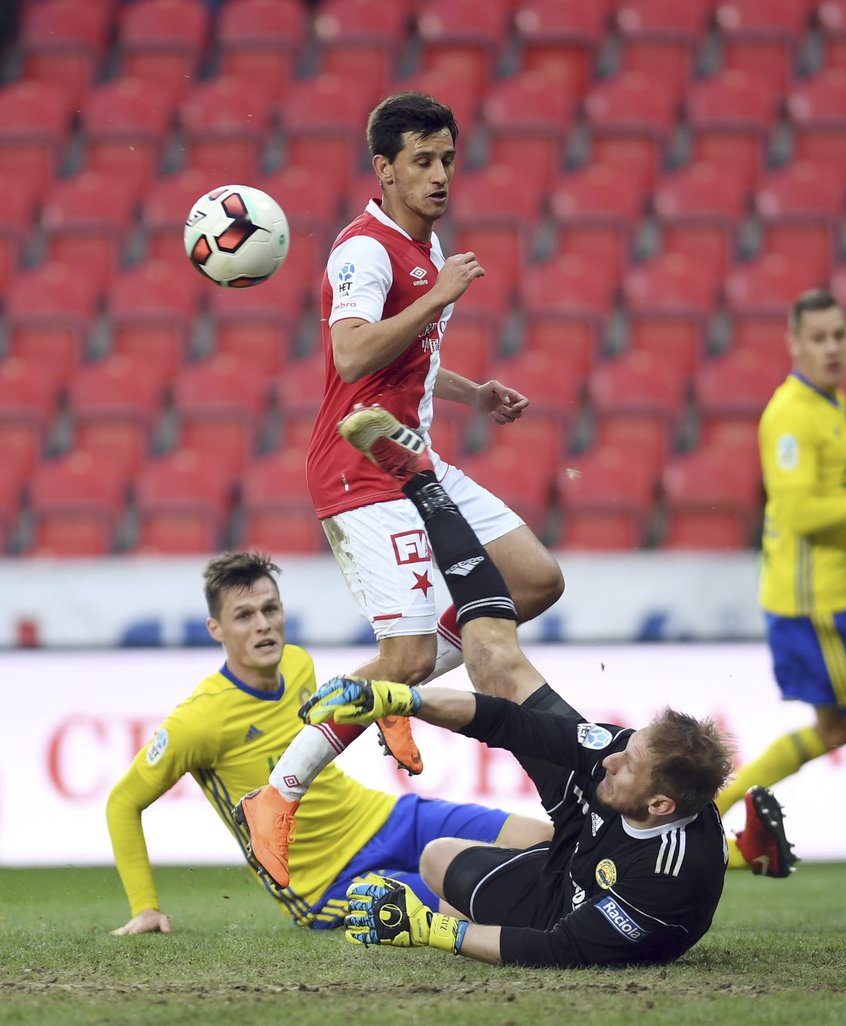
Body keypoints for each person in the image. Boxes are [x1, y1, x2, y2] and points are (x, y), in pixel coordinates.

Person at [292, 404, 797, 968]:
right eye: (623, 749)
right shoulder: (620, 762)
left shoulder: (664, 888)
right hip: (587, 830)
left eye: (626, 765)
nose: (609, 759)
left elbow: (560, 948)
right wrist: (400, 697)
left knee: (438, 862)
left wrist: (430, 930)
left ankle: (742, 852)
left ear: (659, 802)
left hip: (566, 903)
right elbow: (509, 722)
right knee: (496, 666)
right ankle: (424, 483)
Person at [296, 89, 563, 777]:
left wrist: (471, 392)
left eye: (447, 158)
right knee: (407, 658)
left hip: (414, 457)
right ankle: (281, 786)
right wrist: (442, 294)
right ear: (384, 168)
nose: (440, 174)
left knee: (533, 581)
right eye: (422, 161)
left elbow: (404, 358)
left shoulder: (424, 241)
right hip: (362, 466)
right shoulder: (364, 252)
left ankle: (394, 690)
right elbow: (353, 355)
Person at [106, 551, 554, 933]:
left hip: (387, 817)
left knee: (542, 838)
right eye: (244, 616)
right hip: (330, 883)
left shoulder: (298, 663)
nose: (263, 625)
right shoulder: (200, 721)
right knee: (494, 902)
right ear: (215, 629)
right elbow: (123, 803)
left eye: (270, 609)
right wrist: (145, 906)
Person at [713, 290, 846, 877]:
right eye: (819, 337)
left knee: (834, 728)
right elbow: (803, 512)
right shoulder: (791, 414)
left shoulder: (830, 403)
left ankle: (718, 806)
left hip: (825, 598)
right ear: (794, 343)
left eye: (840, 335)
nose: (832, 347)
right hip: (816, 604)